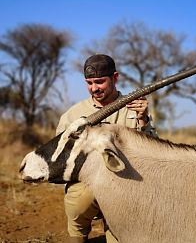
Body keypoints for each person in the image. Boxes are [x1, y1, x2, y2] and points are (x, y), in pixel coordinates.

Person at [56, 54, 157, 243]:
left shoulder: (135, 108)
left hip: (126, 186)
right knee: (79, 201)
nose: (94, 88)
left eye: (100, 82)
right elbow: (60, 157)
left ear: (115, 77)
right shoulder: (72, 115)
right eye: (89, 83)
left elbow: (153, 153)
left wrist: (143, 120)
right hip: (87, 185)